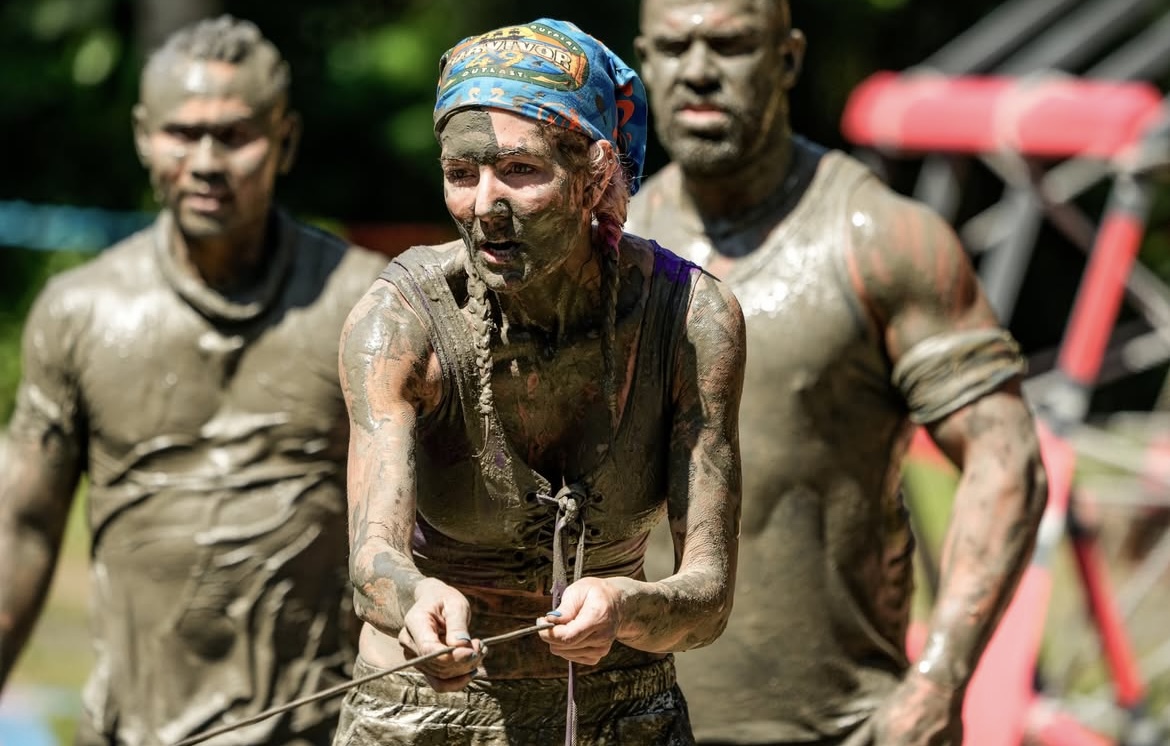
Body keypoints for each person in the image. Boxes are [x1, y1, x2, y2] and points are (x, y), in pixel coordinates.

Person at [627, 1, 1049, 744]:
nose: (697, 72)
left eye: (730, 45)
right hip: (632, 724)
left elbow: (1005, 458)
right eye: (672, 48)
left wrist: (939, 680)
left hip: (843, 728)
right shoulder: (609, 245)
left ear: (787, 58)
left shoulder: (881, 239)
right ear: (644, 63)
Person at [333, 17, 745, 746]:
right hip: (421, 713)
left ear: (595, 175)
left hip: (624, 712)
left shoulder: (689, 320)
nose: (484, 205)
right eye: (462, 174)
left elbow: (708, 597)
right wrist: (415, 599)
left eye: (520, 171)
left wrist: (626, 608)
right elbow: (372, 564)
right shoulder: (400, 322)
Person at [0, 15, 387, 746]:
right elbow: (19, 530)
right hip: (132, 729)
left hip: (318, 728)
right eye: (183, 134)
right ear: (144, 137)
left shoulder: (362, 304)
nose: (207, 161)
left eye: (235, 136)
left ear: (285, 142)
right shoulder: (80, 312)